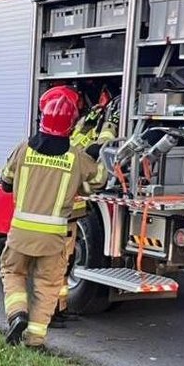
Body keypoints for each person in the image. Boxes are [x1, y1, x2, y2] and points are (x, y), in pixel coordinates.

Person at [0, 86, 107, 348]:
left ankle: (17, 314)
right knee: (47, 286)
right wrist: (95, 154)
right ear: (71, 124)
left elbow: (5, 181)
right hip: (54, 237)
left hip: (21, 234)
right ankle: (35, 340)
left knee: (12, 271)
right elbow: (97, 183)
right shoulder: (77, 158)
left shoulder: (24, 149)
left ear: (42, 117)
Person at [53, 96, 119, 325]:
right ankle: (48, 315)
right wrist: (101, 150)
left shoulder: (40, 151)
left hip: (55, 219)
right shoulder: (75, 155)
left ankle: (56, 310)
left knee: (58, 267)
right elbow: (97, 181)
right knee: (56, 267)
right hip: (67, 218)